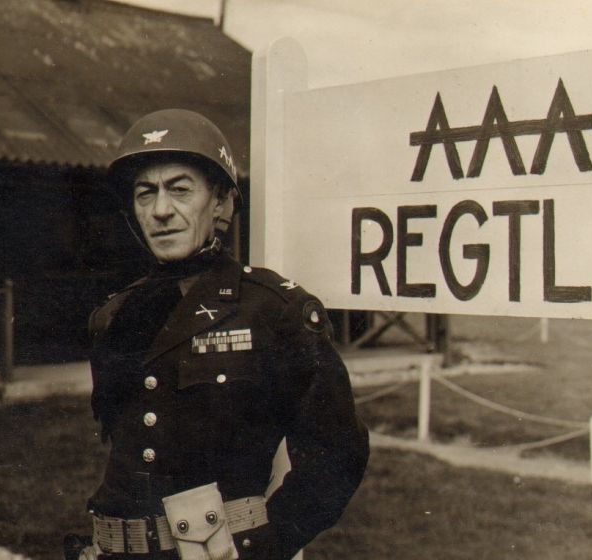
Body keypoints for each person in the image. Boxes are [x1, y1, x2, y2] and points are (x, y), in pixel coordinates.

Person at [68, 109, 369, 560]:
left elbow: (338, 454)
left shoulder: (273, 310)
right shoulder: (115, 316)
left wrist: (266, 547)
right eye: (145, 193)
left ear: (222, 203)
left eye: (180, 189)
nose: (161, 210)